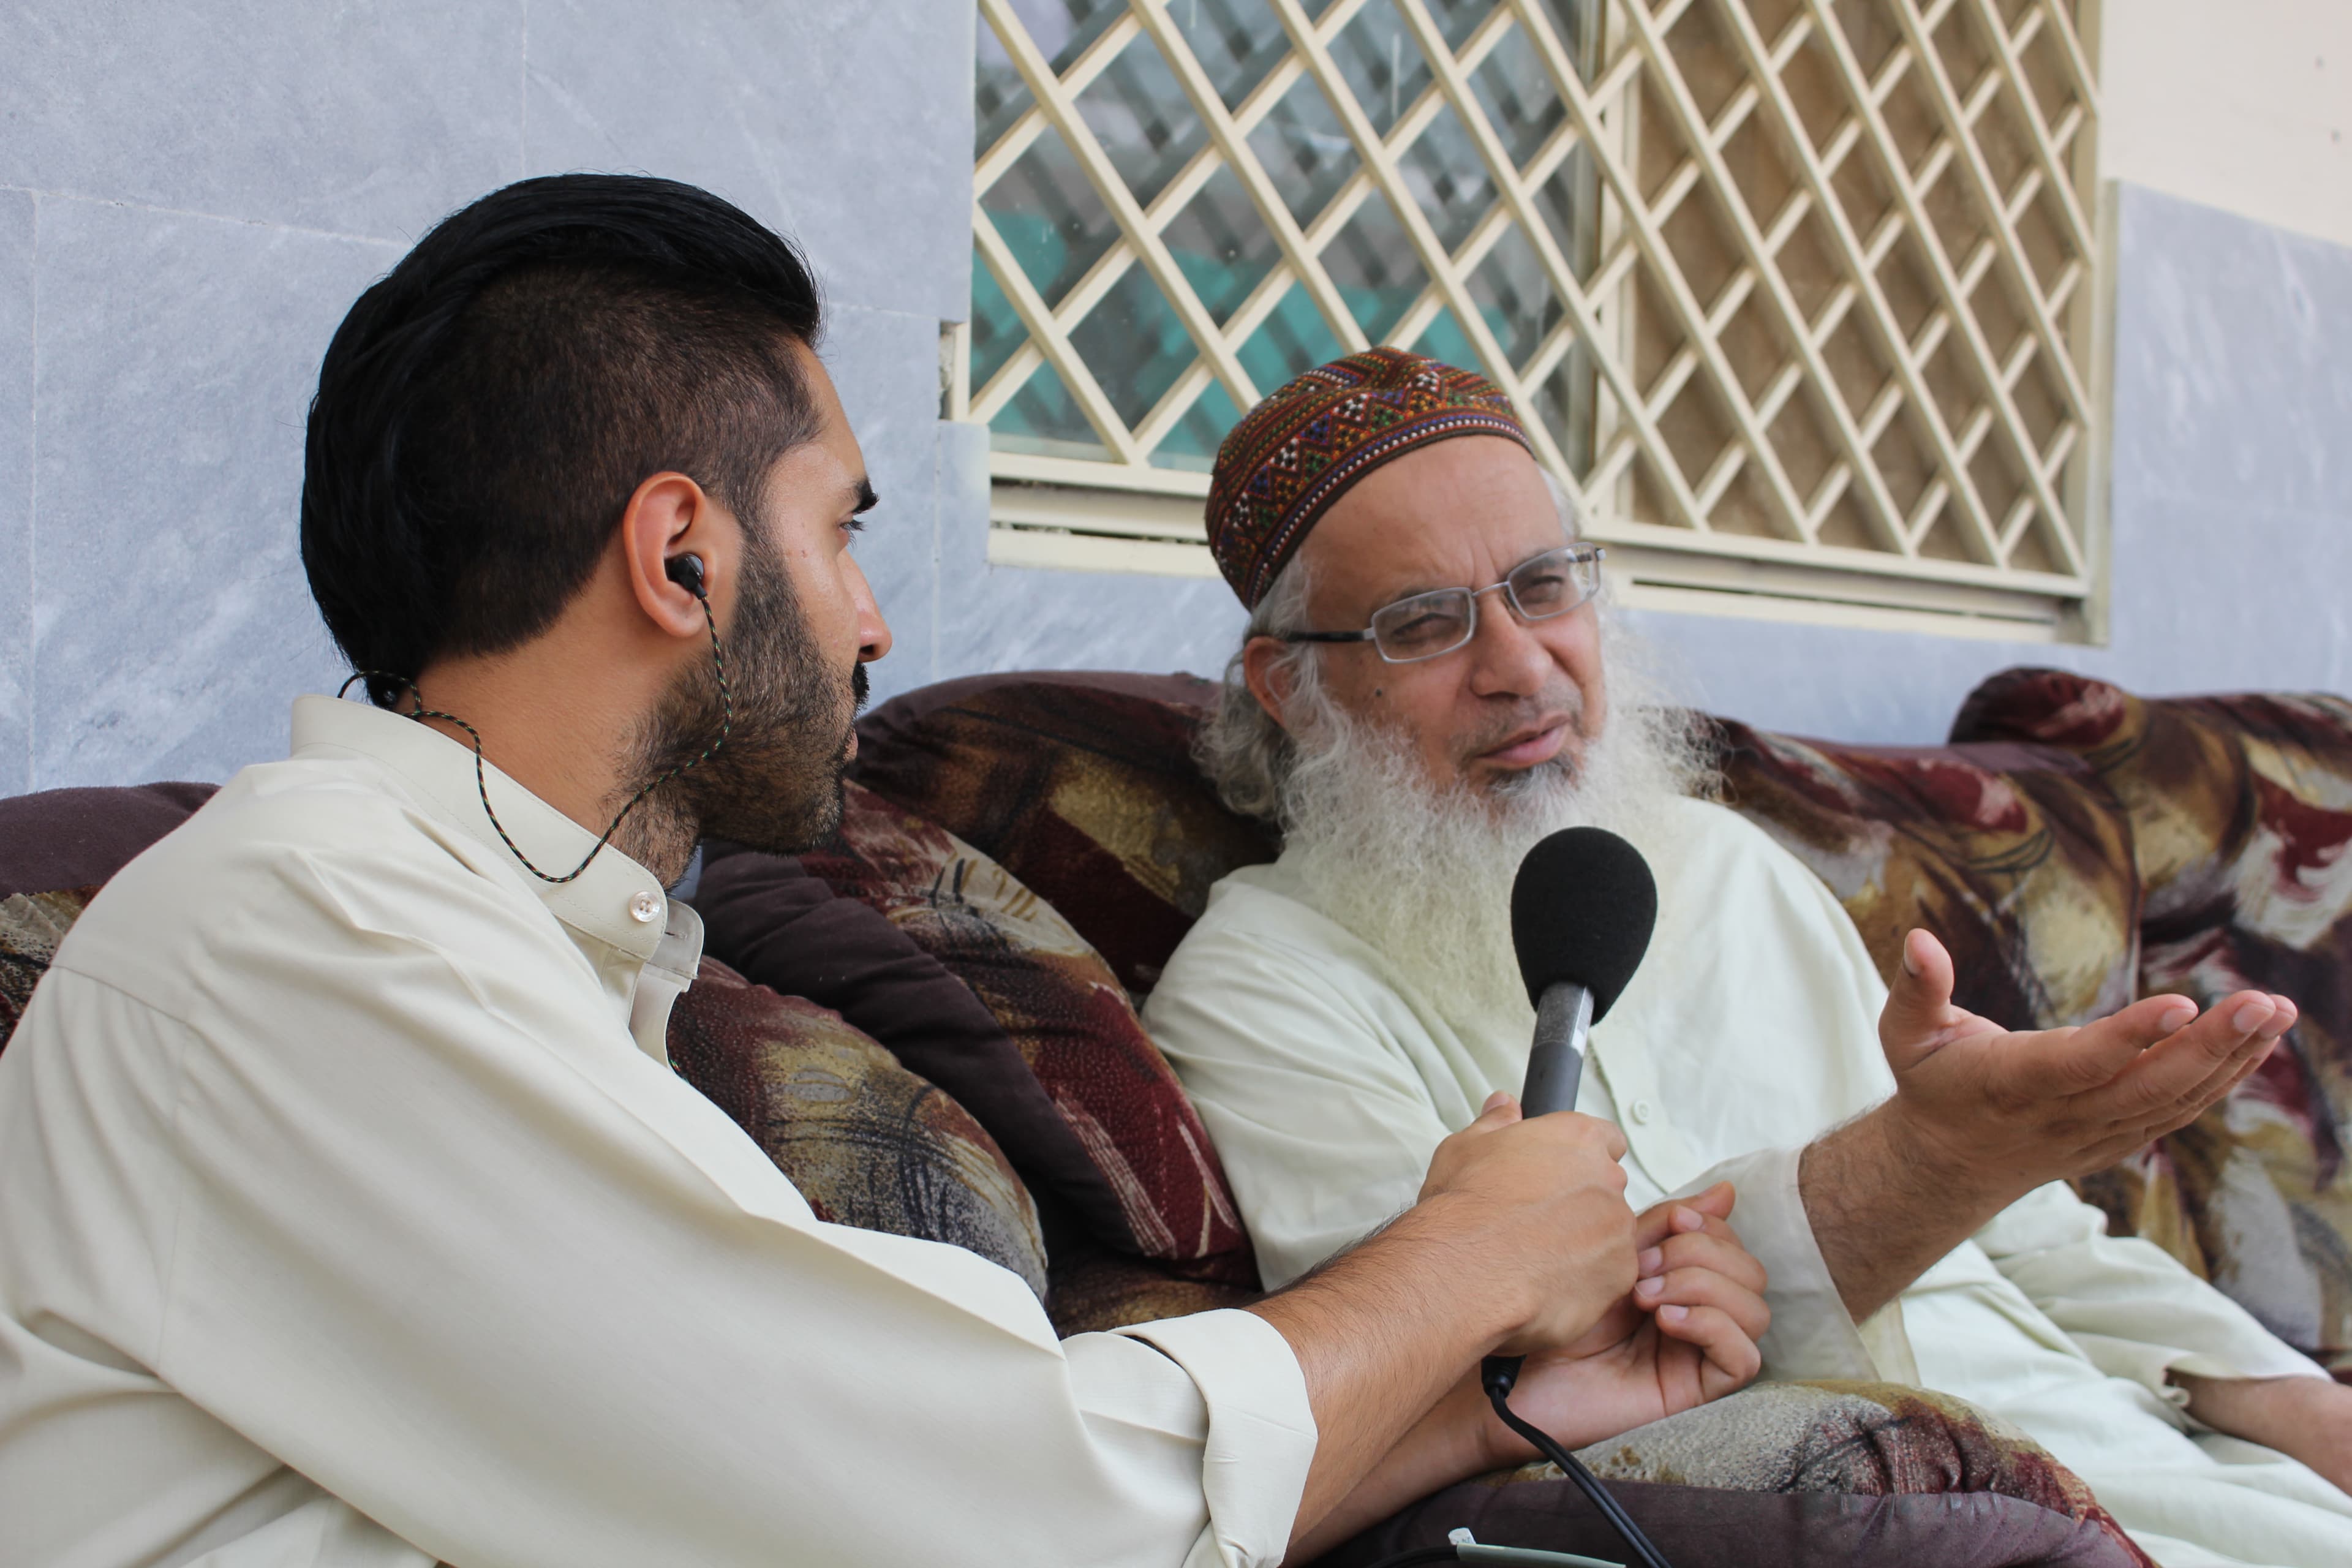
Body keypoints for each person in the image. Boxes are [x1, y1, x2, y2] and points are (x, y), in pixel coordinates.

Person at [0, 179, 1774, 1568]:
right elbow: (993, 1507)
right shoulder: (305, 936)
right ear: (682, 558)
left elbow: (927, 1497)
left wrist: (1488, 1414)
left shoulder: (509, 948)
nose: (876, 620)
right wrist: (1466, 1260)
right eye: (841, 527)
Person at [1143, 347, 2352, 1568]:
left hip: (2151, 1453)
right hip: (1892, 1519)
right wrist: (1911, 1169)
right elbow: (1467, 1398)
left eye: (1543, 585)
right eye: (1424, 623)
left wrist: (2299, 1402)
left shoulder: (1722, 859)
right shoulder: (1264, 987)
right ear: (1291, 688)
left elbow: (2040, 1240)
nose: (1520, 664)